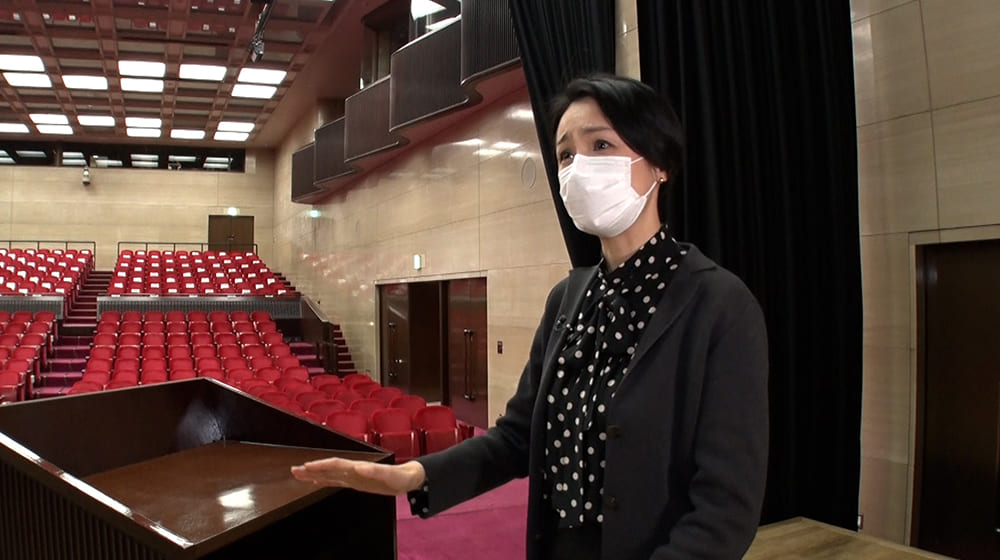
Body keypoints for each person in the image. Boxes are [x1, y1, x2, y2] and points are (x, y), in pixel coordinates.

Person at [291, 74, 769, 560]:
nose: (578, 168)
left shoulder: (719, 305)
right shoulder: (568, 298)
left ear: (660, 163)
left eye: (600, 145)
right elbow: (518, 438)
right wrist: (414, 475)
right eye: (565, 155)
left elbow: (725, 509)